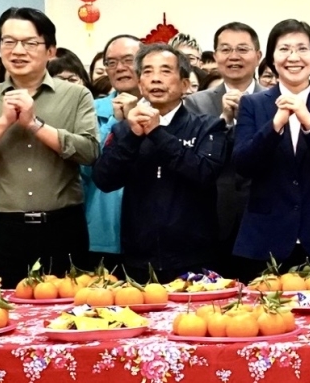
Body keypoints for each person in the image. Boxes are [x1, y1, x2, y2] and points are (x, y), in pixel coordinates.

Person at [0, 8, 100, 284]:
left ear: (50, 50)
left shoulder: (76, 95)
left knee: (66, 303)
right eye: (8, 41)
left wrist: (34, 124)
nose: (17, 51)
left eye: (30, 43)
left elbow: (89, 152)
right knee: (0, 303)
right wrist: (3, 122)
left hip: (62, 225)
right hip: (0, 226)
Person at [232, 19, 310, 287]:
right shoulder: (252, 104)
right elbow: (243, 164)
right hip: (266, 238)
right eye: (284, 49)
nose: (293, 57)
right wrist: (275, 125)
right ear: (272, 58)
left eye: (302, 49)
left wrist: (309, 123)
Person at [90, 44, 227, 277]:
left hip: (196, 258)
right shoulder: (126, 130)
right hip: (138, 259)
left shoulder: (208, 126)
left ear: (185, 84)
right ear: (140, 83)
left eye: (165, 71)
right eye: (147, 72)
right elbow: (104, 179)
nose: (155, 79)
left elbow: (204, 173)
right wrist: (133, 136)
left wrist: (156, 132)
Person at [183, 22, 263, 279]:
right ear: (216, 56)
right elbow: (192, 157)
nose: (233, 56)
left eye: (242, 49)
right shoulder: (196, 103)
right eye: (226, 49)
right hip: (211, 217)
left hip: (263, 216)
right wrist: (224, 121)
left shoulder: (274, 100)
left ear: (258, 56)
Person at [87, 35, 143, 272]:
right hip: (103, 227)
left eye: (128, 60)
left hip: (150, 232)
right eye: (111, 62)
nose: (119, 68)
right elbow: (86, 163)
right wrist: (115, 122)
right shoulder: (90, 110)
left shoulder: (162, 110)